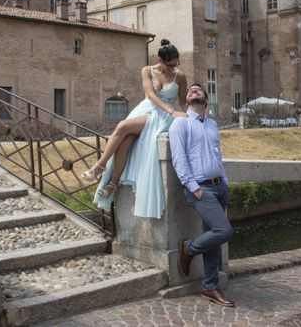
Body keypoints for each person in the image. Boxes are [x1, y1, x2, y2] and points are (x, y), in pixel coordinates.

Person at [80, 39, 187, 218]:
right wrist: (170, 110)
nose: (172, 69)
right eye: (169, 65)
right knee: (126, 141)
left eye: (175, 64)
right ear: (160, 60)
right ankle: (112, 183)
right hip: (147, 109)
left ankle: (98, 167)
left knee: (122, 126)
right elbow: (151, 95)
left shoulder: (180, 76)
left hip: (165, 116)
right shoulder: (146, 70)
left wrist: (192, 115)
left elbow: (183, 102)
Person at [169, 83, 235, 308]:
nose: (193, 90)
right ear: (186, 100)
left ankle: (209, 286)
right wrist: (193, 187)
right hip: (201, 188)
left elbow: (217, 155)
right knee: (223, 231)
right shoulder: (181, 123)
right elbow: (179, 158)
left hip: (219, 187)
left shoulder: (212, 124)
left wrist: (224, 181)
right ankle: (189, 248)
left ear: (206, 99)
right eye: (190, 90)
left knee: (213, 238)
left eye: (198, 89)